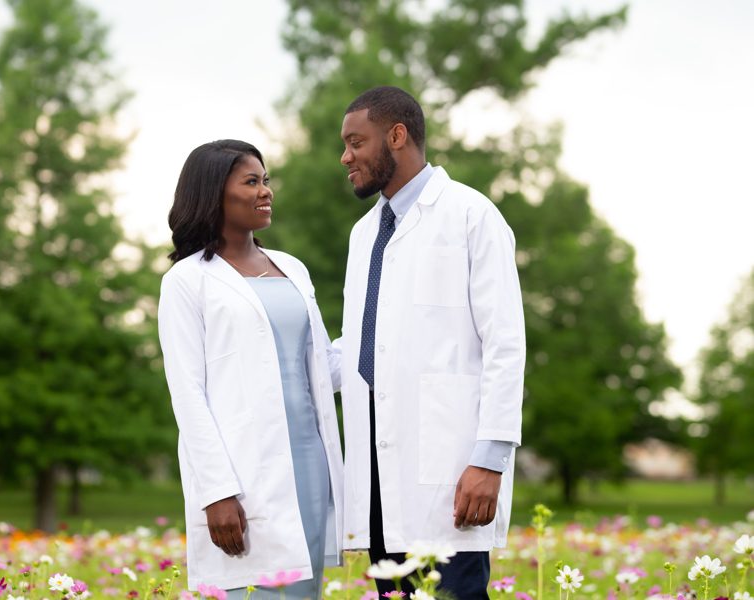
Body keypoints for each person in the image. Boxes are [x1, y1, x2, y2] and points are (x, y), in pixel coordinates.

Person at [337, 86, 526, 599]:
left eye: (357, 142)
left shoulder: (471, 215)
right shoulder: (363, 234)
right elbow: (360, 344)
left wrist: (490, 458)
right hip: (379, 472)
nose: (345, 157)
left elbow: (505, 343)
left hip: (451, 474)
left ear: (397, 136)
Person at [157, 139, 344, 596]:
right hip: (240, 475)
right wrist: (216, 492)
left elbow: (324, 368)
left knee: (302, 591)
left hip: (309, 466)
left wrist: (385, 335)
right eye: (252, 181)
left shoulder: (292, 270)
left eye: (266, 180)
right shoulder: (187, 281)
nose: (266, 191)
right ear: (214, 193)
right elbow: (188, 395)